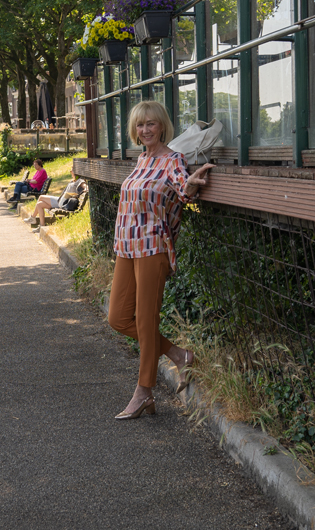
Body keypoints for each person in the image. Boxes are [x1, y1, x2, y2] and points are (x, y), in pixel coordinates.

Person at [108, 100, 213, 420]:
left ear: (162, 126)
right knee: (118, 318)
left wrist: (191, 184)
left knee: (145, 320)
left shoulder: (172, 160)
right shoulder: (141, 160)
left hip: (153, 247)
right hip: (126, 246)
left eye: (151, 124)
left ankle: (143, 392)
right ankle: (180, 355)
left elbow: (183, 189)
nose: (145, 130)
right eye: (140, 125)